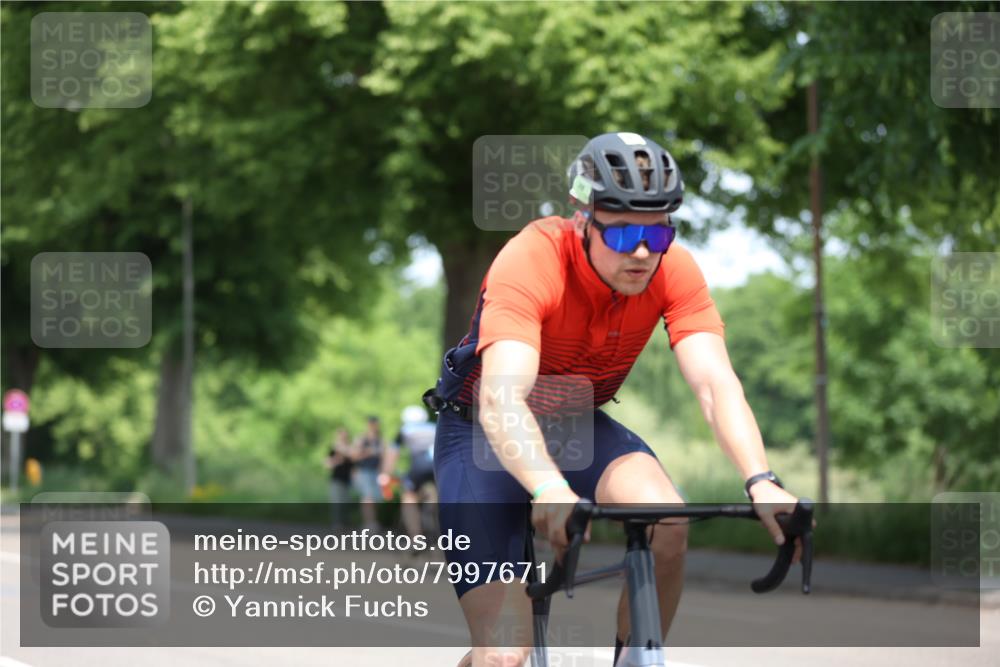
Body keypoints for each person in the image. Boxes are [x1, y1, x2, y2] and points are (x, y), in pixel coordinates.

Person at [428, 132, 807, 667]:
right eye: (626, 233)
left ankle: (635, 659)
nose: (645, 252)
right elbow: (501, 399)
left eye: (659, 232)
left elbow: (716, 385)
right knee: (504, 657)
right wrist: (548, 488)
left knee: (667, 519)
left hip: (575, 421)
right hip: (481, 435)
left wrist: (760, 479)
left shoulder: (672, 270)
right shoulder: (532, 258)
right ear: (582, 220)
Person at [381, 405, 437, 541]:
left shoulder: (405, 430)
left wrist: (386, 474)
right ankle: (433, 513)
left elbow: (392, 453)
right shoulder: (434, 427)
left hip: (419, 465)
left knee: (409, 496)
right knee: (437, 492)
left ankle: (416, 537)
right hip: (439, 465)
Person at [352, 415, 385, 532]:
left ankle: (372, 522)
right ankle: (369, 523)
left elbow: (383, 457)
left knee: (375, 498)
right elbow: (355, 455)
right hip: (364, 471)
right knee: (367, 497)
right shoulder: (362, 438)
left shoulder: (379, 439)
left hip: (376, 471)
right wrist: (368, 452)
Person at [325, 427, 354, 532]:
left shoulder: (350, 448)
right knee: (337, 502)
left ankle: (346, 523)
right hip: (337, 479)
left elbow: (354, 458)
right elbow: (328, 464)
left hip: (348, 480)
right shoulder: (334, 450)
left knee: (347, 502)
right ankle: (338, 524)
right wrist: (337, 459)